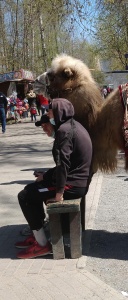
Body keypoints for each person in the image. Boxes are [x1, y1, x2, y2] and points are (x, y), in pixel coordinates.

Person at [16, 98, 93, 259]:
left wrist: (59, 193)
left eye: (50, 111)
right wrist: (47, 177)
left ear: (59, 111)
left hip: (72, 185)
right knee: (33, 191)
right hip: (76, 181)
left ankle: (42, 245)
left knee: (25, 195)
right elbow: (66, 164)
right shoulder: (73, 126)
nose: (48, 114)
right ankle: (39, 234)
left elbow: (63, 165)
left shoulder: (64, 131)